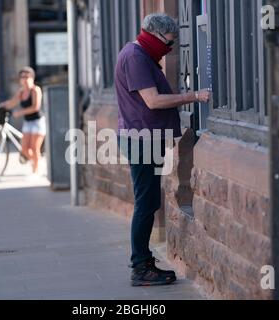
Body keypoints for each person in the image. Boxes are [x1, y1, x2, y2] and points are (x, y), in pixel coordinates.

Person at [115, 13, 211, 286]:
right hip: (141, 139)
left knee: (148, 202)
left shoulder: (140, 53)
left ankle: (143, 262)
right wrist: (193, 96)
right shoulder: (135, 57)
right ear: (155, 34)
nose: (169, 48)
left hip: (144, 137)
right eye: (168, 42)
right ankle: (140, 267)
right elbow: (153, 101)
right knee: (146, 203)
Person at [0, 67, 46, 178]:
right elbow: (12, 102)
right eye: (22, 77)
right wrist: (1, 106)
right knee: (24, 149)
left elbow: (36, 107)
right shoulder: (21, 92)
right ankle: (37, 162)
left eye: (27, 77)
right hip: (28, 122)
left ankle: (36, 170)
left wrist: (20, 112)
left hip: (37, 122)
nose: (25, 79)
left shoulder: (35, 90)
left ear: (32, 78)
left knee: (35, 148)